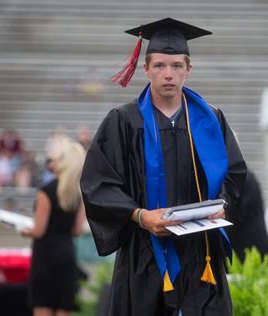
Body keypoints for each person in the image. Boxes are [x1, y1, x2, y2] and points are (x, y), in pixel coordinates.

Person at [80, 18, 247, 316]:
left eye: (176, 66)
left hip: (201, 255)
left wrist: (223, 205)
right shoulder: (123, 121)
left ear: (188, 69)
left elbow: (233, 174)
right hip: (145, 254)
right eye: (159, 65)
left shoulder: (211, 120)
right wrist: (141, 216)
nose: (168, 74)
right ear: (146, 69)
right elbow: (99, 183)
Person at [22, 137, 87, 316]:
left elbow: (39, 230)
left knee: (43, 306)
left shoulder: (47, 190)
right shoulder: (79, 193)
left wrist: (24, 229)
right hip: (66, 254)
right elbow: (77, 230)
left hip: (45, 256)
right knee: (63, 307)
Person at [230, 169, 268, 262]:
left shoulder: (238, 177)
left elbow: (233, 216)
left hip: (248, 252)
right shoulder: (242, 175)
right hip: (251, 250)